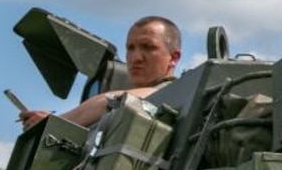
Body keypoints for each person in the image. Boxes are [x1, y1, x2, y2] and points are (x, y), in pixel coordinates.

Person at [19, 15, 183, 130]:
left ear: (173, 58)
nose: (136, 58)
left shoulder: (171, 92)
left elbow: (108, 102)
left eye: (148, 47)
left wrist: (54, 123)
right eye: (130, 48)